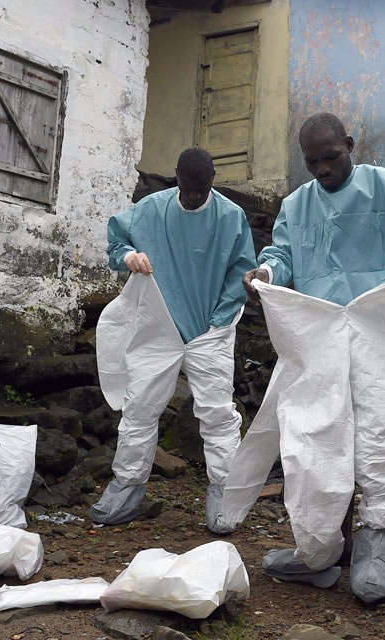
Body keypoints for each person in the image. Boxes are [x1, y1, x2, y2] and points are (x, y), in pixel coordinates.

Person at [240, 112, 385, 603]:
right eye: (312, 163)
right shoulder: (297, 205)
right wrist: (268, 274)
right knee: (315, 436)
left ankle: (380, 541)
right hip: (320, 337)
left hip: (380, 330)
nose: (322, 170)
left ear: (350, 146)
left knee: (381, 427)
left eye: (331, 158)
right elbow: (283, 254)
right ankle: (320, 549)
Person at [90, 147, 256, 529]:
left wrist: (218, 321)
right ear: (176, 179)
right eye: (187, 189)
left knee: (216, 413)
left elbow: (241, 272)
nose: (194, 197)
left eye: (201, 190)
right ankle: (127, 486)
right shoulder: (151, 209)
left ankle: (224, 494)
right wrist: (128, 255)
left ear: (212, 182)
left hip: (210, 330)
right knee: (139, 407)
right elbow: (118, 241)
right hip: (158, 323)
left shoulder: (231, 217)